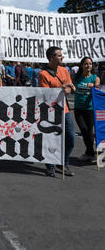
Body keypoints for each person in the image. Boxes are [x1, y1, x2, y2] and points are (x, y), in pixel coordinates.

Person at [39, 46, 75, 177]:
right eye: (59, 55)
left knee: (71, 138)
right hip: (50, 112)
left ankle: (63, 162)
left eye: (61, 55)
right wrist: (62, 88)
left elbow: (71, 86)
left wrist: (69, 90)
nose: (62, 57)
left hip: (64, 110)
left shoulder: (64, 70)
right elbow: (45, 94)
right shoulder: (43, 74)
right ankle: (50, 166)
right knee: (51, 139)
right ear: (51, 58)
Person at [74, 57, 100, 163]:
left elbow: (99, 91)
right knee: (84, 130)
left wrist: (94, 86)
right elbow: (72, 87)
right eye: (86, 64)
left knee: (89, 131)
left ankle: (90, 154)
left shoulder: (95, 78)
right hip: (78, 109)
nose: (88, 66)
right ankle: (90, 153)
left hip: (90, 109)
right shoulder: (76, 77)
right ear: (82, 65)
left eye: (90, 64)